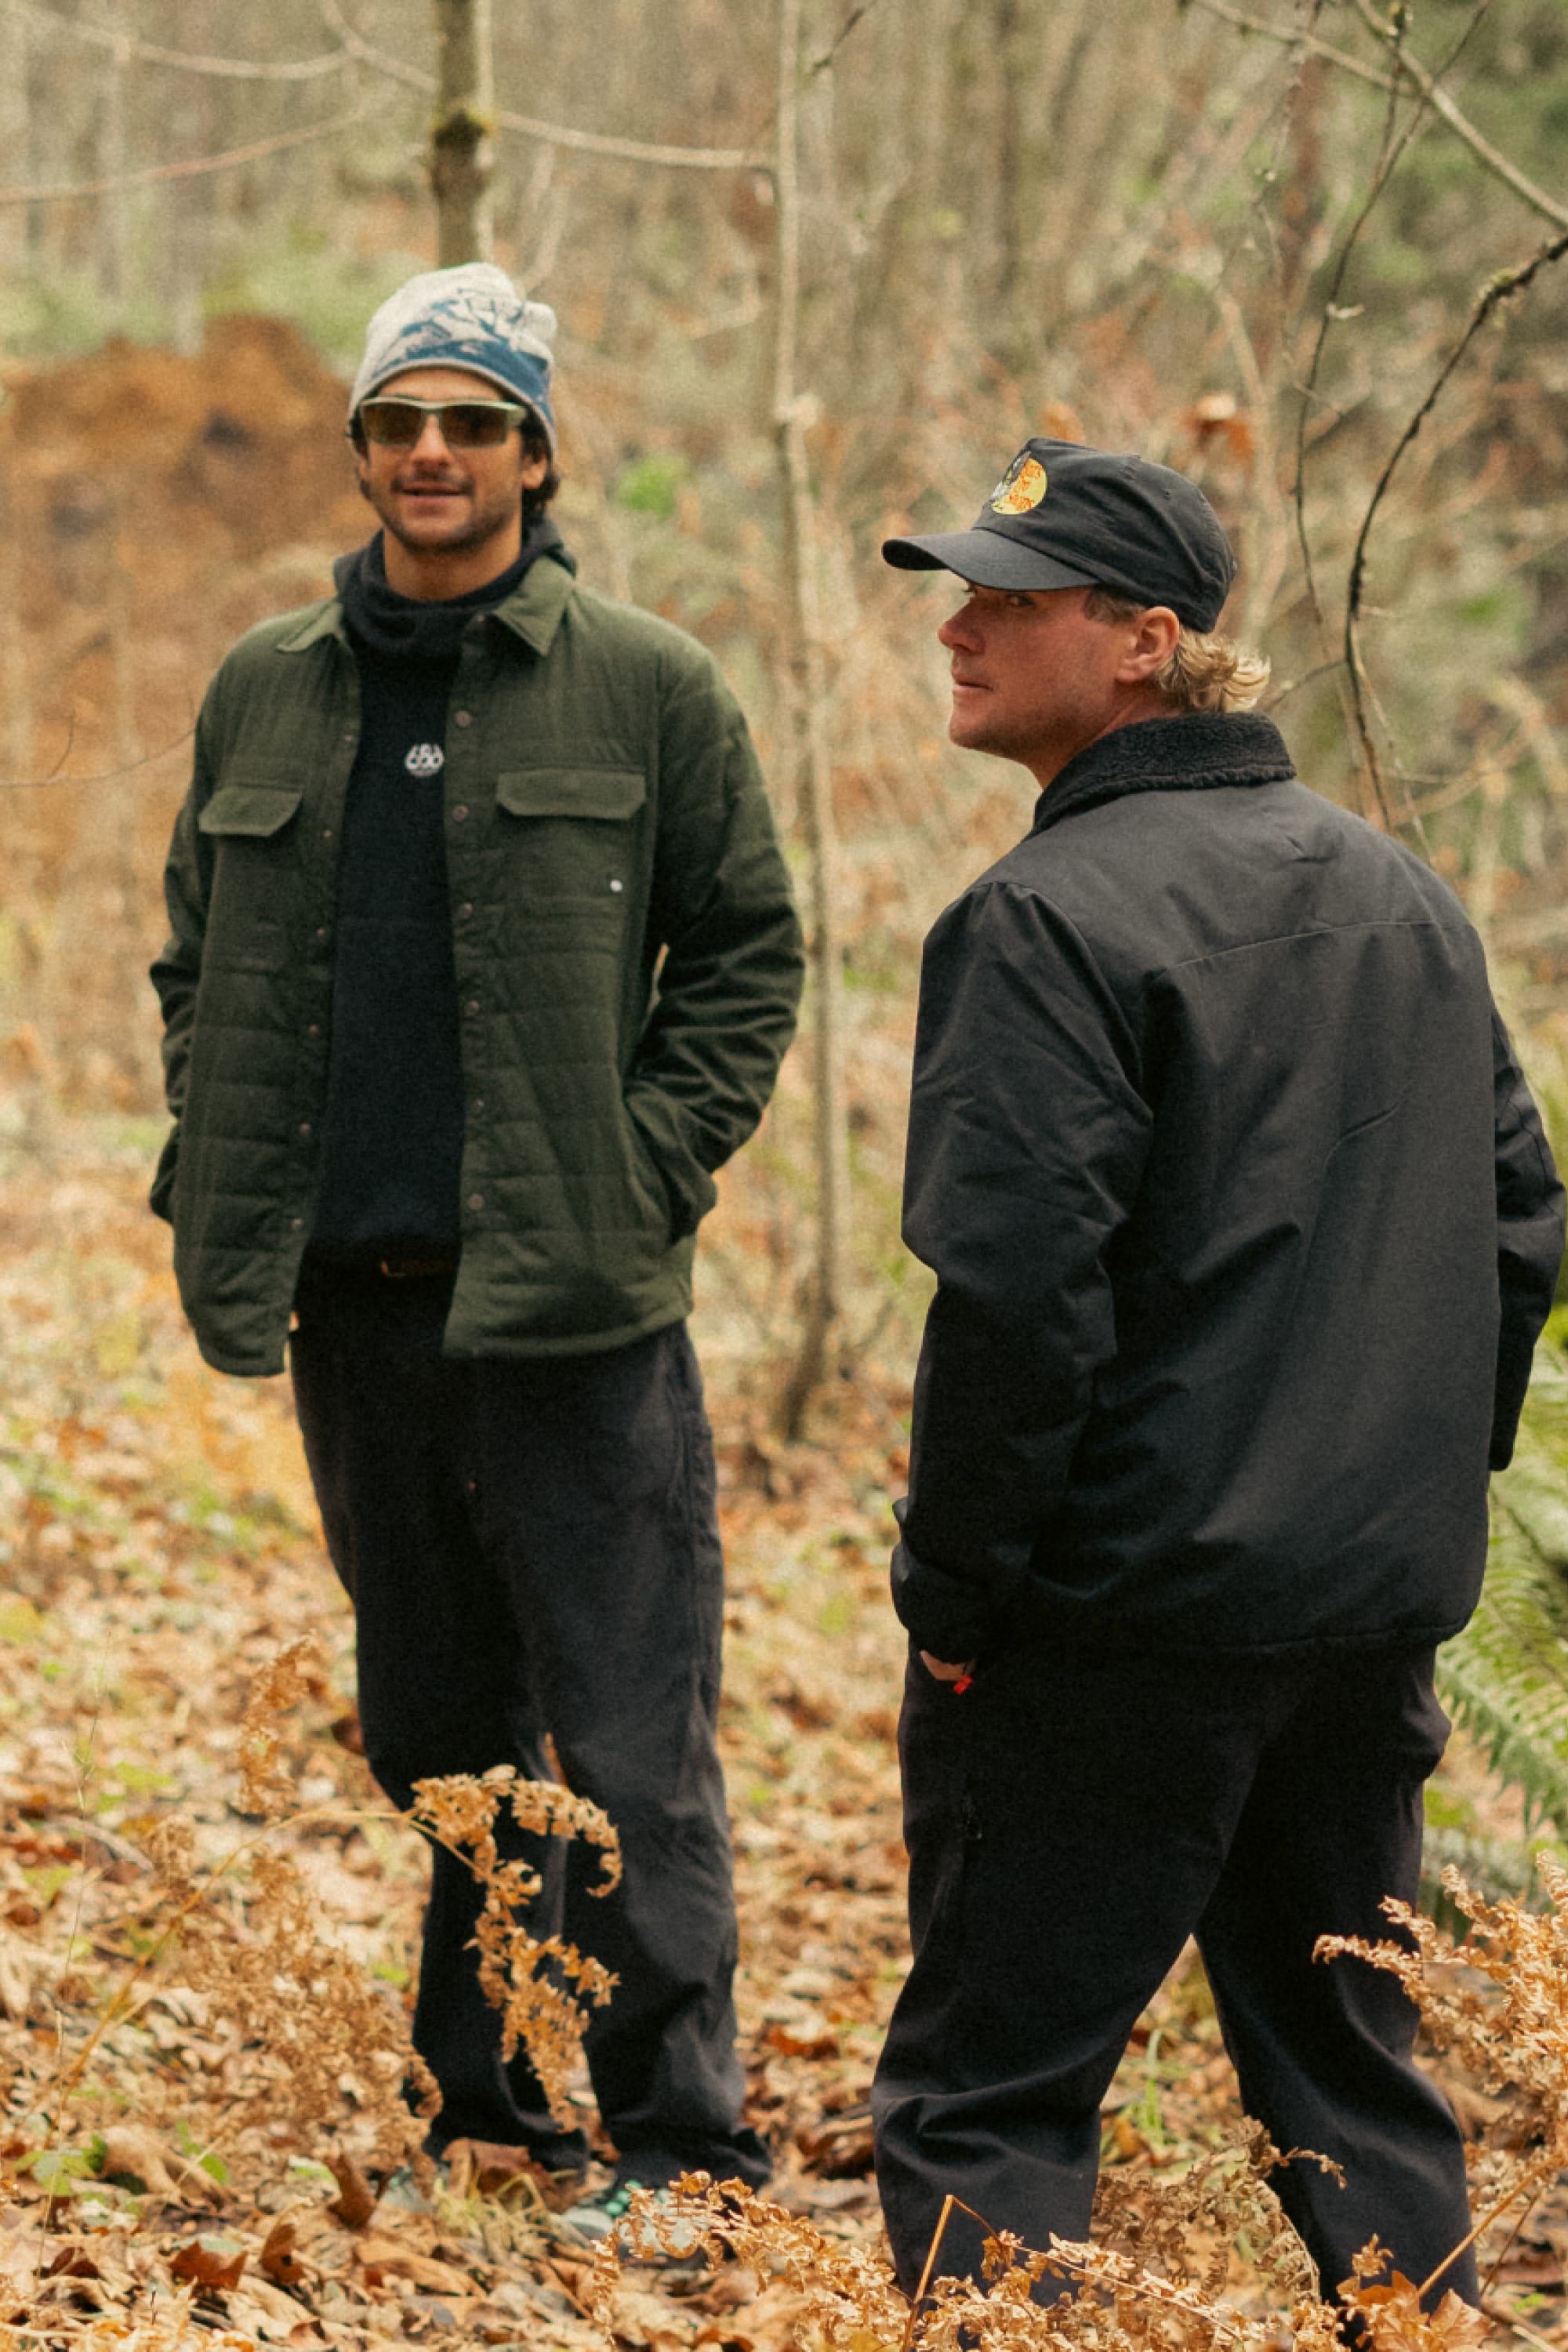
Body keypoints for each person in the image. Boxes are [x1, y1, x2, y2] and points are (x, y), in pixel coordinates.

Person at [869, 437, 1564, 2308]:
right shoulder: (1401, 896)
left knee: (987, 2100)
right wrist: (1393, 1500)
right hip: (1359, 1619)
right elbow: (1518, 1226)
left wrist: (958, 1596)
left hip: (1112, 1628)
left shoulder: (1041, 921)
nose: (957, 628)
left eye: (1010, 601)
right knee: (1350, 2076)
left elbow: (1017, 1305)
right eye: (962, 594)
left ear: (1144, 640)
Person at [149, 263, 803, 2226]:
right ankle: (494, 2105)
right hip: (359, 1310)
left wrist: (642, 1168)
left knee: (626, 1740)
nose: (432, 452)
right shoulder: (267, 686)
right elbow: (196, 960)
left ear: (533, 451)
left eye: (472, 421)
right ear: (362, 449)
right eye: (400, 421)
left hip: (573, 1314)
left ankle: (682, 2144)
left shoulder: (648, 684)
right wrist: (228, 1141)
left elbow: (746, 957)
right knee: (439, 1735)